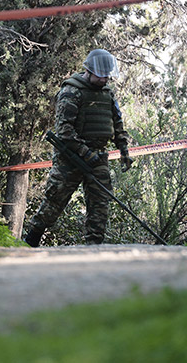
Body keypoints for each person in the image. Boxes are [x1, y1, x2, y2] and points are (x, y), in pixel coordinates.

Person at [23, 49, 133, 247]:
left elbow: (117, 124)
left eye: (107, 75)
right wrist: (84, 153)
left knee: (100, 205)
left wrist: (124, 150)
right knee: (54, 201)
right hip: (71, 157)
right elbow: (64, 130)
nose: (105, 79)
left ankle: (94, 249)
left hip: (98, 157)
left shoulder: (107, 94)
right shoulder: (71, 91)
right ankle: (30, 242)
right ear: (89, 70)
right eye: (101, 75)